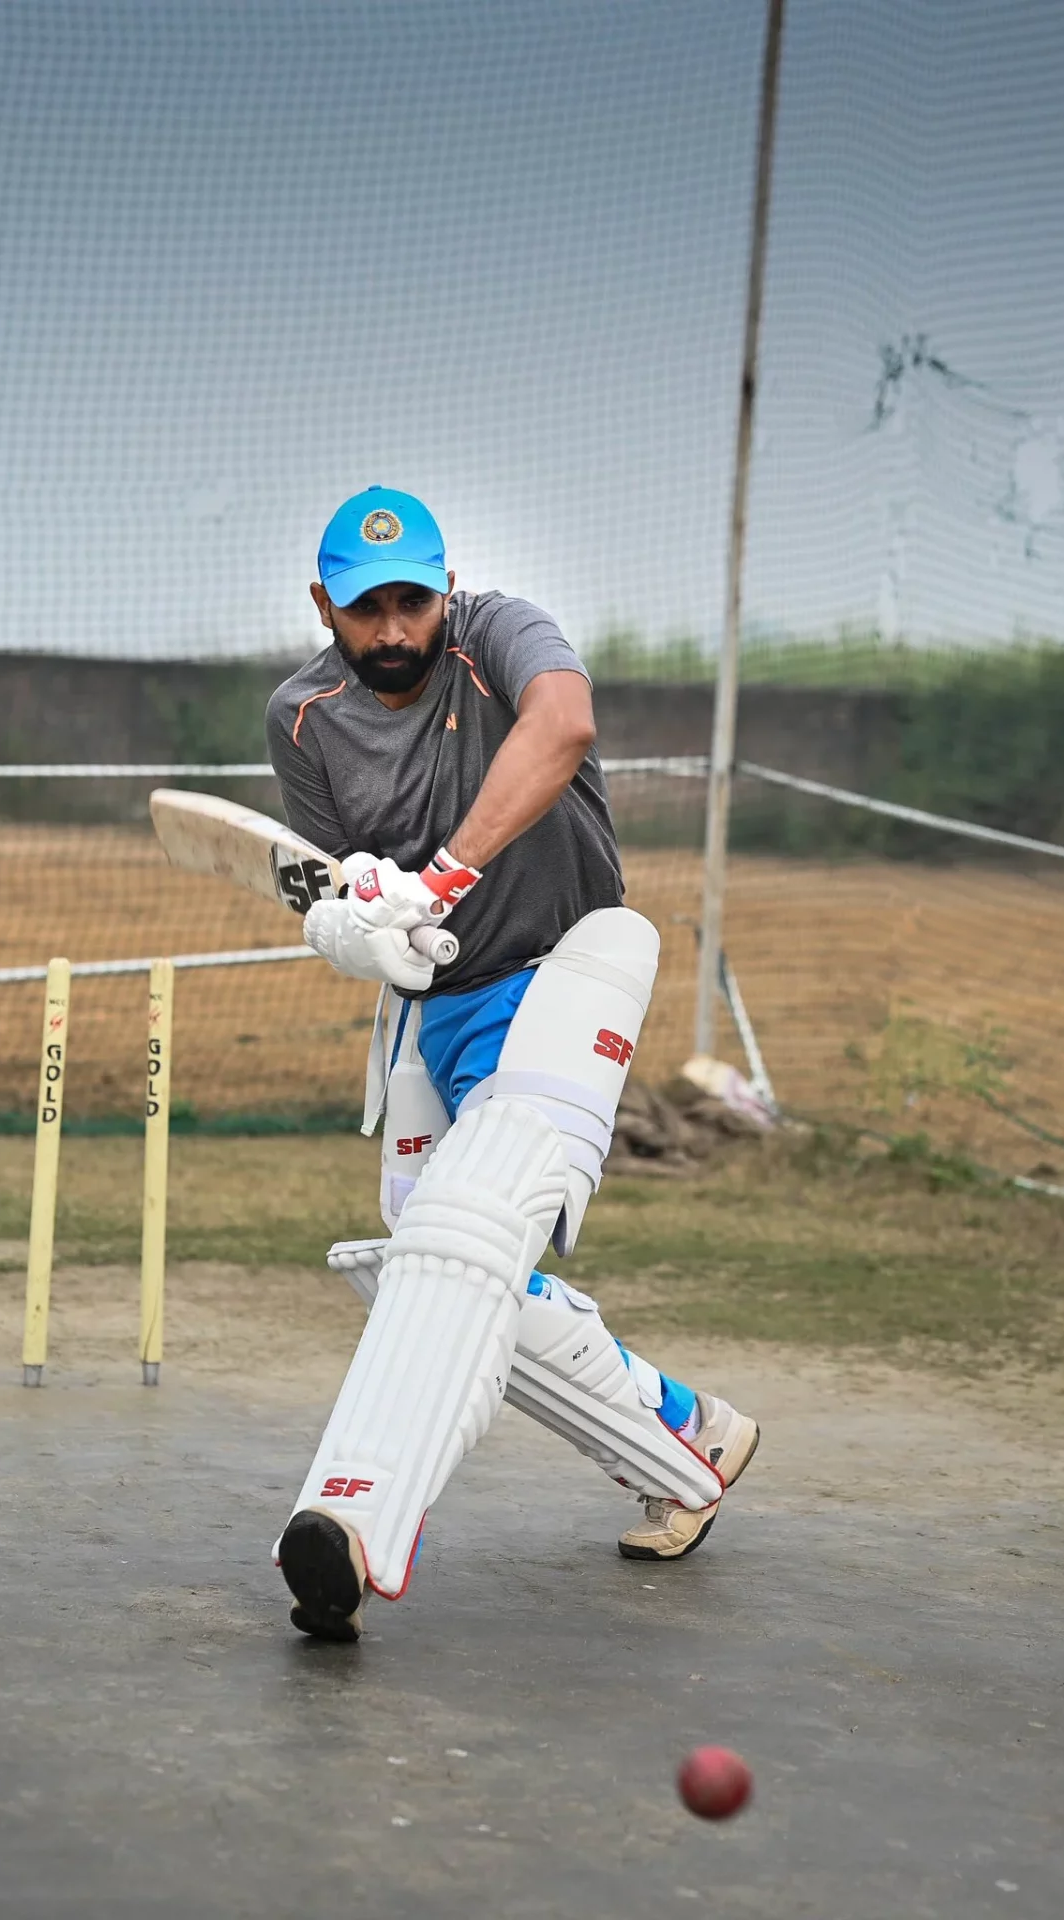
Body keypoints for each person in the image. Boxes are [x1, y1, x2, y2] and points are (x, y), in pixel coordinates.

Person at [265, 485, 759, 1642]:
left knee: (465, 1242)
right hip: (432, 1007)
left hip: (565, 970)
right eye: (365, 608)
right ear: (321, 606)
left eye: (411, 601)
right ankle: (685, 1433)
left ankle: (366, 1519)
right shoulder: (301, 713)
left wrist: (437, 874)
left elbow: (565, 728)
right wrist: (350, 921)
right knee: (427, 1261)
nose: (393, 630)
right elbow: (342, 878)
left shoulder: (498, 635)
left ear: (445, 587)